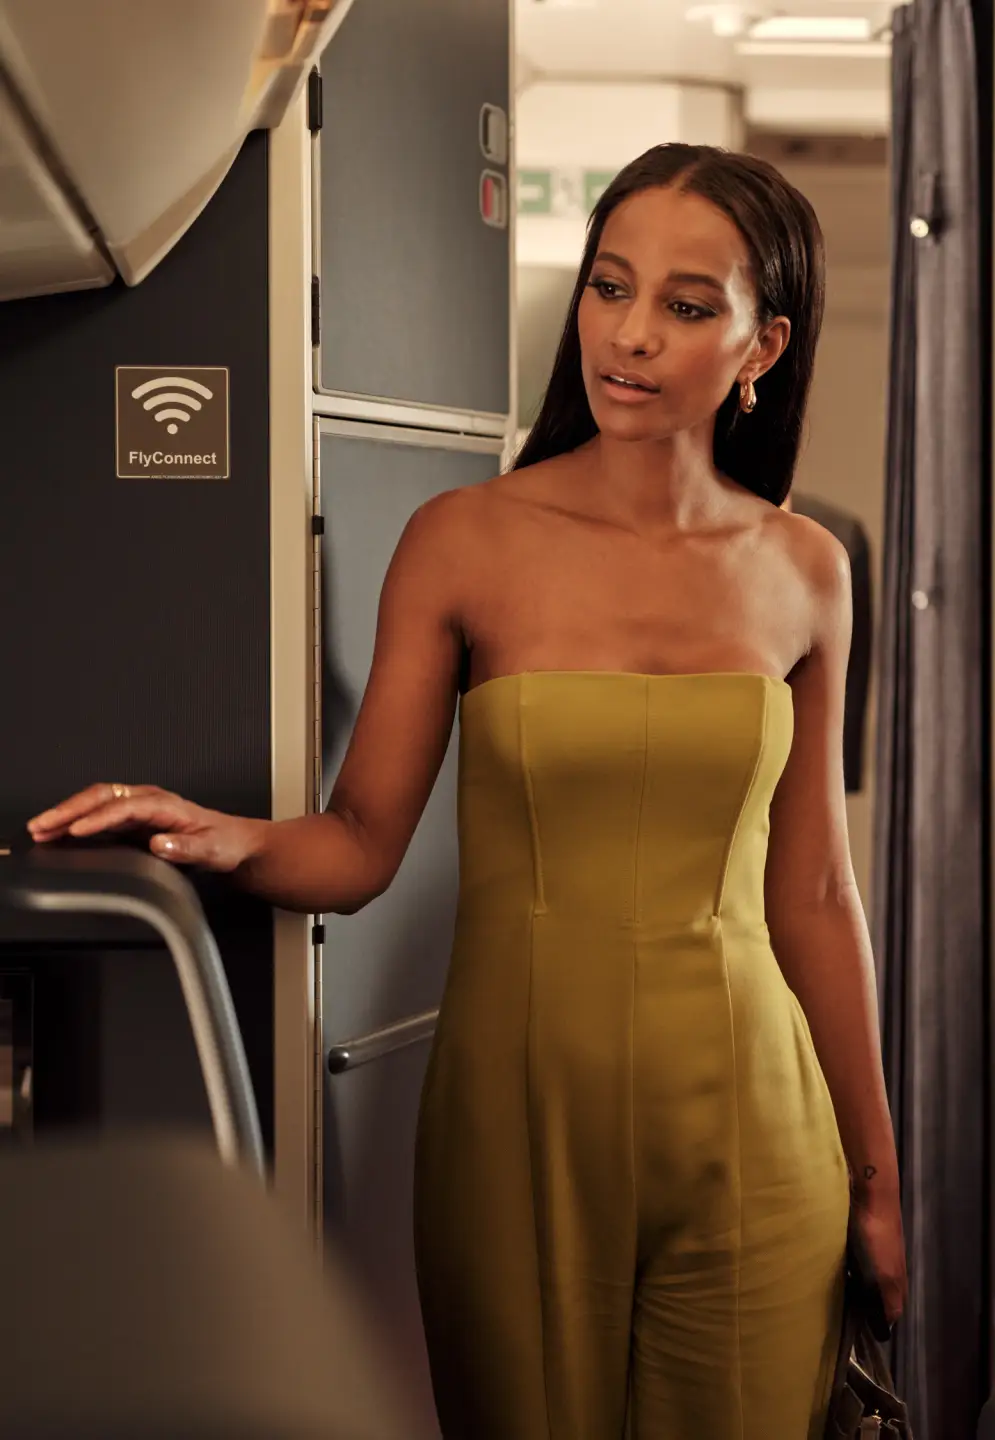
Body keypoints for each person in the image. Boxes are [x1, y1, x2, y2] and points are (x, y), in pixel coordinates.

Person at [27, 142, 907, 1439]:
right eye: (610, 287)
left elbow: (819, 894)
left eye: (685, 306)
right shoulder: (464, 541)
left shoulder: (809, 568)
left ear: (760, 347)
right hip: (516, 1128)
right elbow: (357, 845)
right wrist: (217, 837)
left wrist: (878, 1181)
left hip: (763, 1131)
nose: (631, 335)